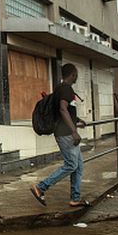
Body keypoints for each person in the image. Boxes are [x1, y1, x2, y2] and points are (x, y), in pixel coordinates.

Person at [30, 63, 89, 208]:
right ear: (73, 74)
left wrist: (77, 120)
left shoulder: (60, 89)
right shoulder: (66, 89)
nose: (77, 77)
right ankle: (41, 187)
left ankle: (75, 199)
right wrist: (74, 131)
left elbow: (66, 110)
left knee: (78, 167)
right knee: (71, 165)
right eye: (76, 74)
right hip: (65, 134)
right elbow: (63, 110)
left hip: (66, 132)